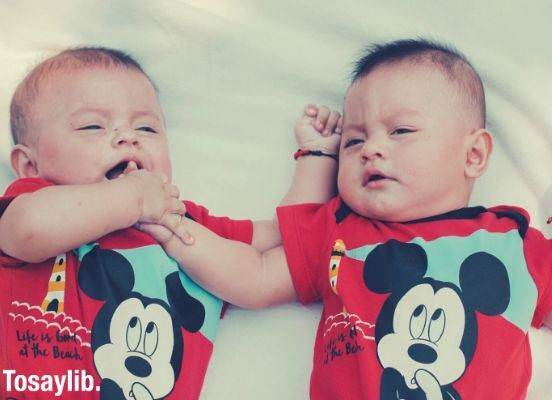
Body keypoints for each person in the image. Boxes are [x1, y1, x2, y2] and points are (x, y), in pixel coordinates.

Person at [141, 39, 552, 399]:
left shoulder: (509, 242)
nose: (373, 148)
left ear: (474, 154)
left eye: (401, 131)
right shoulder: (342, 231)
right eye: (354, 141)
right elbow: (256, 277)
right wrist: (178, 235)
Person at [0, 46, 341, 399]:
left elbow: (281, 237)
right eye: (92, 126)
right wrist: (132, 199)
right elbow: (25, 231)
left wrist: (316, 157)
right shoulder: (34, 199)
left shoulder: (180, 221)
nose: (127, 137)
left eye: (146, 128)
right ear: (29, 164)